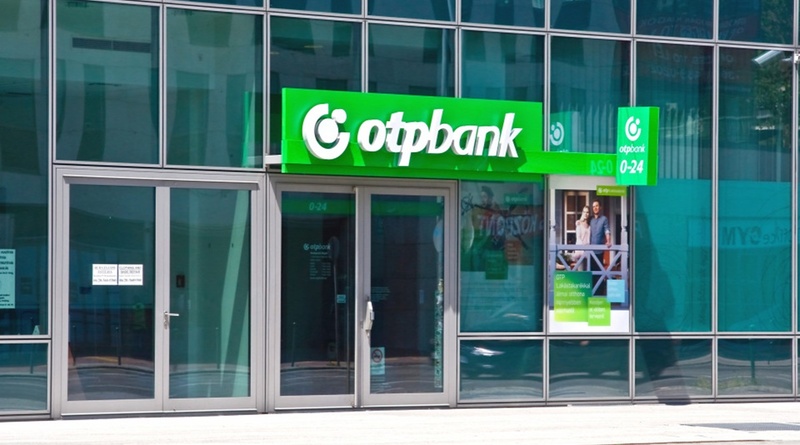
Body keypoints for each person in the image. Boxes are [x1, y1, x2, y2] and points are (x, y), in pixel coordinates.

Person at [589, 199, 611, 294]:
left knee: (599, 273)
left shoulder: (604, 219)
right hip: (590, 252)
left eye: (597, 206)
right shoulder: (590, 219)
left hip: (599, 252)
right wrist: (578, 222)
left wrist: (608, 241)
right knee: (591, 273)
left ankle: (600, 294)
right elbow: (582, 222)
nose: (595, 208)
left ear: (600, 207)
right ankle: (592, 294)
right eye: (593, 206)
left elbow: (607, 230)